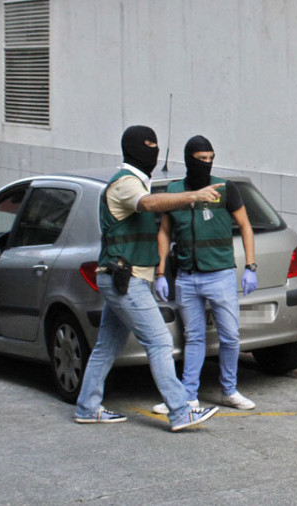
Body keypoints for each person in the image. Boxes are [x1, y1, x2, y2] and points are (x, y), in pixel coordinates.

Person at [74, 125, 222, 432]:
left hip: (124, 277)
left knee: (106, 347)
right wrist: (191, 195)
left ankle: (87, 407)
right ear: (132, 150)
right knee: (159, 341)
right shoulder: (126, 184)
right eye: (148, 146)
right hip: (125, 279)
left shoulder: (137, 181)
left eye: (156, 145)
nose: (154, 152)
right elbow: (149, 204)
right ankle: (180, 411)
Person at [151, 135, 258, 414]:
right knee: (194, 337)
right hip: (186, 277)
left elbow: (245, 226)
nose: (207, 164)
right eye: (201, 160)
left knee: (230, 336)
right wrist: (160, 272)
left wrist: (250, 267)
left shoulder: (225, 189)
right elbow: (164, 231)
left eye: (211, 159)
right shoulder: (175, 191)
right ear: (189, 160)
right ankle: (188, 395)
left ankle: (229, 390)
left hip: (220, 275)